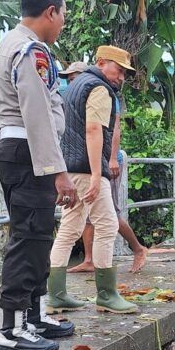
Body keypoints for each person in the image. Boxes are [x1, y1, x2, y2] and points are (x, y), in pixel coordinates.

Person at [0, 0, 77, 350]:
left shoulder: (7, 45)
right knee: (28, 239)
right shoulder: (31, 50)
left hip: (20, 150)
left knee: (39, 236)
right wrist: (57, 170)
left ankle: (34, 315)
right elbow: (38, 113)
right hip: (28, 151)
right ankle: (10, 330)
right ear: (50, 12)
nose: (62, 24)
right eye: (63, 16)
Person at [47, 45, 138, 315]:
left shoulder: (75, 85)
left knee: (70, 228)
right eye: (118, 70)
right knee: (106, 225)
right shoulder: (99, 88)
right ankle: (106, 295)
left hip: (71, 167)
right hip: (87, 170)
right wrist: (98, 175)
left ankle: (57, 295)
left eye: (124, 73)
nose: (121, 77)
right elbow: (93, 128)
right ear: (101, 62)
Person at [66, 93, 149, 275]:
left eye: (75, 77)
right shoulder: (77, 98)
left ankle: (137, 248)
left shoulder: (104, 94)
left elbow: (113, 128)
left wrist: (112, 158)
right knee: (89, 212)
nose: (73, 81)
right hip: (87, 164)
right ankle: (89, 260)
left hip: (105, 163)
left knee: (109, 213)